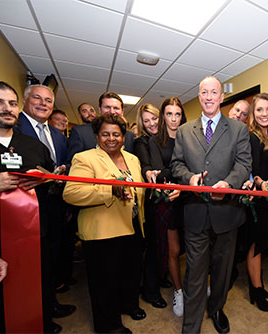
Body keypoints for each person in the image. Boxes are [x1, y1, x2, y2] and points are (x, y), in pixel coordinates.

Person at [0, 81, 62, 333]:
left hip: (34, 237)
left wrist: (45, 179)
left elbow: (52, 180)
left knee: (37, 290)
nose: (7, 109)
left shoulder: (33, 146)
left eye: (12, 103)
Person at [171, 76, 251, 334]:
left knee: (222, 270)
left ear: (221, 97)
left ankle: (216, 309)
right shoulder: (184, 130)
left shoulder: (238, 129)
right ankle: (191, 326)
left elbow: (243, 165)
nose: (208, 97)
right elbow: (176, 164)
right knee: (194, 272)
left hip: (227, 213)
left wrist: (228, 184)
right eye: (204, 92)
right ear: (199, 95)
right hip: (195, 212)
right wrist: (188, 178)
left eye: (213, 92)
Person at [63, 115, 146, 334]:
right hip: (103, 232)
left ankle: (128, 305)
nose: (111, 138)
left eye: (116, 134)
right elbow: (71, 193)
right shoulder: (85, 158)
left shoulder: (133, 159)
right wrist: (109, 191)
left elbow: (138, 190)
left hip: (133, 226)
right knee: (104, 282)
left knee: (129, 274)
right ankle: (109, 326)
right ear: (97, 136)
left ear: (123, 136)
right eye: (105, 134)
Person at [15, 84, 76, 320]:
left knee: (50, 256)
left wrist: (63, 170)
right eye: (37, 99)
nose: (43, 104)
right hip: (24, 207)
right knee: (30, 263)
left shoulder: (58, 136)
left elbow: (67, 163)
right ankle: (33, 312)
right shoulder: (14, 128)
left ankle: (49, 304)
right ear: (25, 100)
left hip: (55, 205)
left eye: (48, 100)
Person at [240, 93, 268, 312]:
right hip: (256, 199)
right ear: (253, 114)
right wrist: (258, 180)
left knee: (262, 243)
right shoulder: (252, 137)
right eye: (259, 110)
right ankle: (256, 290)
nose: (264, 114)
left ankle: (259, 285)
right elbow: (249, 168)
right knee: (255, 245)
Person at [148, 97, 186, 317]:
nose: (173, 118)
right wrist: (177, 176)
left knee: (193, 248)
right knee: (174, 250)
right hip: (169, 200)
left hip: (189, 198)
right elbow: (159, 171)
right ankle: (178, 291)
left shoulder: (189, 137)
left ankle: (193, 286)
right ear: (163, 116)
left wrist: (178, 179)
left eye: (177, 114)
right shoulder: (155, 141)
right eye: (169, 114)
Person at [133, 103, 169, 309]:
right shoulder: (141, 142)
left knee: (168, 243)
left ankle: (161, 276)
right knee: (155, 246)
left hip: (172, 196)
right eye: (146, 121)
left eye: (154, 118)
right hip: (154, 200)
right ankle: (150, 290)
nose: (151, 123)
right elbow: (149, 167)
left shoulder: (166, 139)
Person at [66, 92, 134, 167]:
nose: (112, 111)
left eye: (116, 108)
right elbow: (72, 164)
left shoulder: (130, 137)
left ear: (122, 111)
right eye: (107, 107)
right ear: (99, 109)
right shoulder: (80, 132)